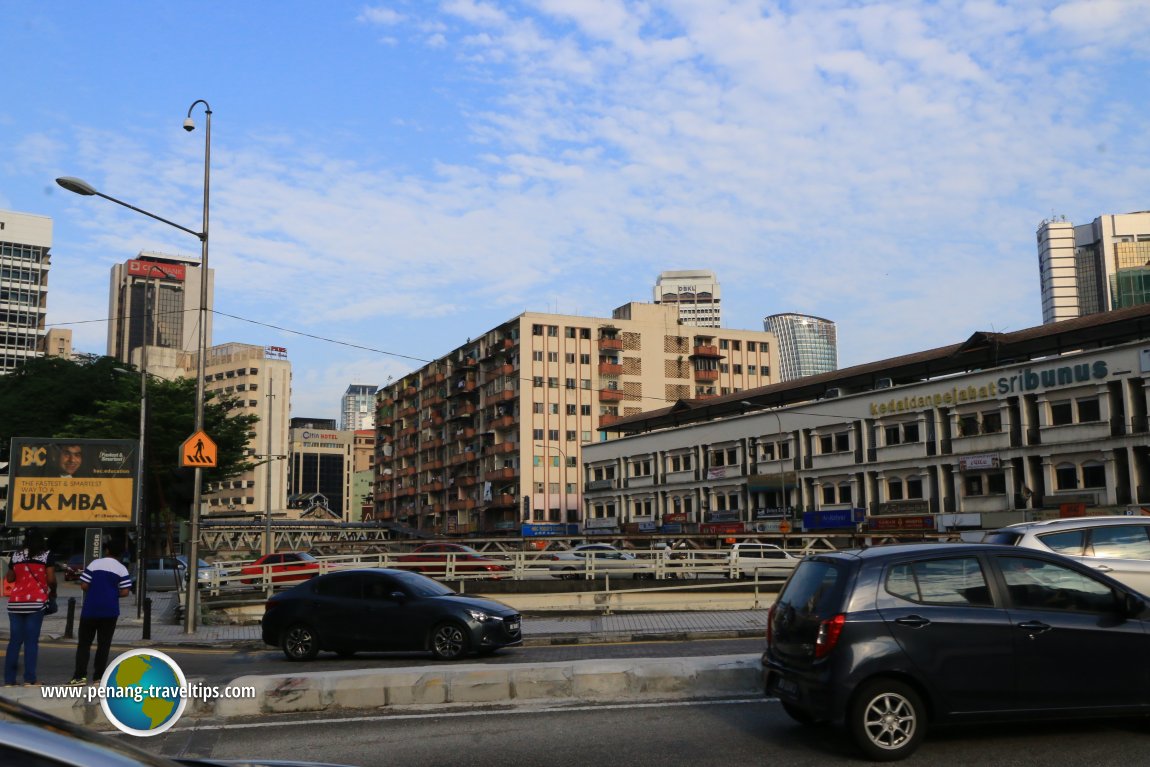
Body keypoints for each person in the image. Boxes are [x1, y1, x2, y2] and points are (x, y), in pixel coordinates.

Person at [70, 541, 132, 685]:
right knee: (103, 645)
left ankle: (79, 677)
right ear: (121, 554)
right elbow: (125, 592)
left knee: (84, 644)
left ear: (107, 550)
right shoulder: (122, 569)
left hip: (90, 610)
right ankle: (99, 677)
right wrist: (110, 593)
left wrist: (96, 591)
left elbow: (84, 585)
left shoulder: (94, 564)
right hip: (110, 611)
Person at [5, 529, 56, 686]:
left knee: (14, 642)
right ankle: (29, 679)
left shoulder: (16, 555)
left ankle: (9, 680)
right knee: (31, 642)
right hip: (35, 603)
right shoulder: (46, 555)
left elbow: (10, 577)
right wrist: (53, 590)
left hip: (15, 602)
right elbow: (51, 578)